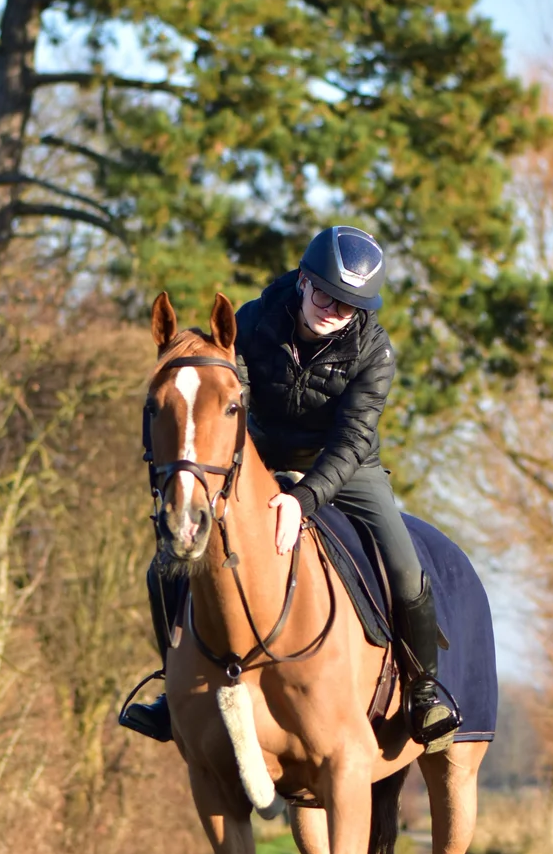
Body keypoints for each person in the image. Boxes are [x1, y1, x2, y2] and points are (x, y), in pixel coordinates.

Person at [121, 226, 453, 745]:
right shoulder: (253, 321)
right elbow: (233, 402)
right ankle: (172, 688)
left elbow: (352, 436)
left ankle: (424, 690)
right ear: (303, 281)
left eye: (347, 306)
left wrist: (302, 498)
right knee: (164, 567)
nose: (333, 310)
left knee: (406, 566)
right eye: (325, 294)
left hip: (345, 465)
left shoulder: (375, 351)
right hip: (259, 451)